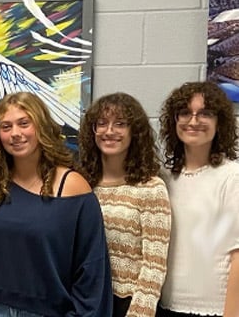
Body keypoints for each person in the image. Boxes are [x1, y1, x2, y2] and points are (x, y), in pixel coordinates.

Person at [0, 92, 112, 317]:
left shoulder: (73, 187)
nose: (15, 133)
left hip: (48, 311)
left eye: (24, 123)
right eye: (6, 127)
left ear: (41, 127)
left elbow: (92, 267)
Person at [78, 93, 171, 317]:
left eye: (120, 124)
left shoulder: (151, 188)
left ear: (134, 133)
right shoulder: (80, 184)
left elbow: (154, 265)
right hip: (86, 300)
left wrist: (139, 312)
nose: (109, 131)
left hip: (127, 304)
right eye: (101, 124)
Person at [157, 81, 239, 317]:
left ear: (219, 122)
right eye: (185, 113)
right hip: (166, 306)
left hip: (214, 309)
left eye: (205, 114)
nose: (193, 121)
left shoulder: (231, 177)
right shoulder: (165, 179)